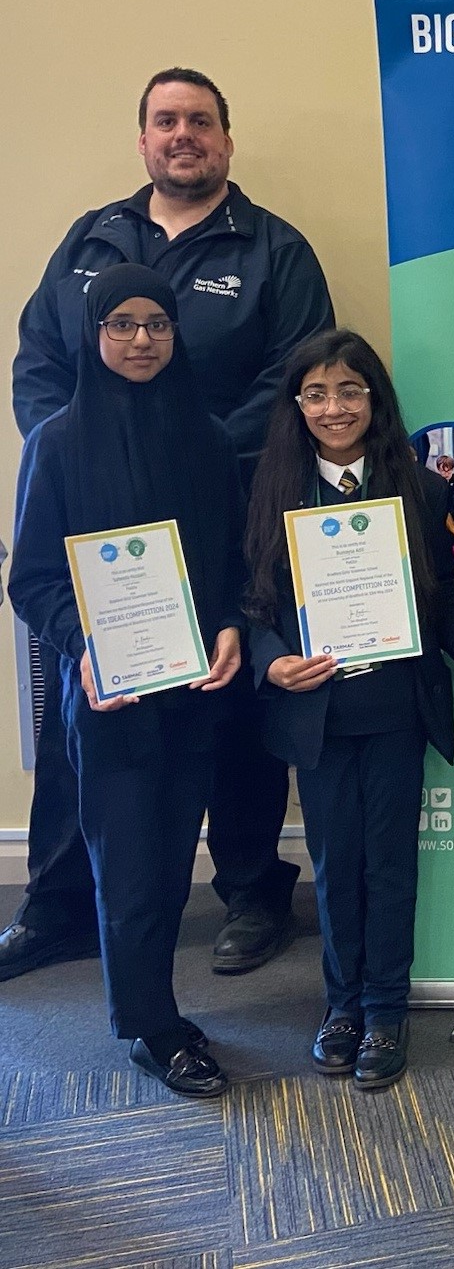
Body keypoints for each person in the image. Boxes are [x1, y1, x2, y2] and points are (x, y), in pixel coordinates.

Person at [3, 67, 335, 983]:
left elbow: (294, 378)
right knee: (86, 705)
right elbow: (40, 360)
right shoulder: (92, 238)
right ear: (143, 138)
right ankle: (60, 904)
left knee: (231, 703)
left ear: (226, 139)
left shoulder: (274, 249)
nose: (181, 134)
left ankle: (252, 891)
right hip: (96, 523)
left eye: (199, 120)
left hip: (224, 507)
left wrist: (182, 450)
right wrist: (81, 449)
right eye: (164, 120)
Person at [243, 330, 454, 1089]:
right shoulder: (273, 489)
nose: (334, 407)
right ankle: (341, 1006)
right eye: (316, 393)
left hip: (395, 708)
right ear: (296, 404)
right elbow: (254, 603)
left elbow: (445, 608)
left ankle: (385, 1009)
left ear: (375, 400)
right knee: (336, 867)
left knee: (391, 864)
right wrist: (272, 660)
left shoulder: (423, 492)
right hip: (319, 712)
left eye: (350, 391)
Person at [9, 265, 246, 1095]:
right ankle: (150, 1026)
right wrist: (83, 645)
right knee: (130, 862)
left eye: (157, 323)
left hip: (193, 689)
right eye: (122, 324)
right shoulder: (57, 442)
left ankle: (153, 1006)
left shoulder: (209, 439)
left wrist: (231, 624)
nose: (141, 339)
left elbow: (231, 561)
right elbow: (33, 580)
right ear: (93, 332)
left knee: (173, 854)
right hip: (108, 694)